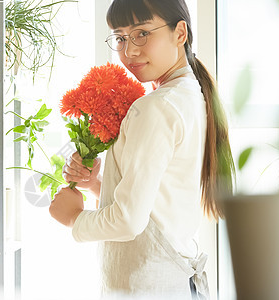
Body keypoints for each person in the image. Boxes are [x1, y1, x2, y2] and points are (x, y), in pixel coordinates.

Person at [49, 0, 235, 299]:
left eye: (142, 34)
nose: (130, 50)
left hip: (149, 287)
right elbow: (159, 203)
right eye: (121, 37)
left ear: (180, 33)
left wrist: (74, 218)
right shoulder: (190, 95)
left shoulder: (156, 107)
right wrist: (97, 185)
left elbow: (127, 221)